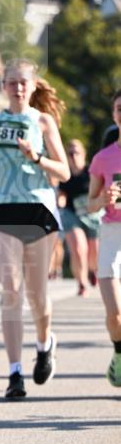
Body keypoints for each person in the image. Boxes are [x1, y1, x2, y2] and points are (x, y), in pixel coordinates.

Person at [0, 60, 69, 399]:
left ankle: (45, 344)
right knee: (11, 290)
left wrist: (36, 157)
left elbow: (65, 172)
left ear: (32, 88)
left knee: (37, 294)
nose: (17, 88)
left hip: (38, 209)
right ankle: (14, 372)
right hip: (1, 207)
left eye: (23, 83)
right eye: (11, 82)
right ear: (3, 86)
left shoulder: (42, 121)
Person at [87, 89, 121, 387]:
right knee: (116, 313)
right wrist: (104, 199)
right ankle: (119, 353)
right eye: (120, 108)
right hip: (112, 233)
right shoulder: (103, 158)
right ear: (114, 115)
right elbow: (90, 203)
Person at [59, 139, 101, 295]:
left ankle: (92, 270)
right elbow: (61, 194)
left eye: (76, 152)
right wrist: (60, 201)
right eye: (70, 153)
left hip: (92, 215)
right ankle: (81, 282)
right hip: (72, 214)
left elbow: (100, 190)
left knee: (94, 252)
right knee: (78, 248)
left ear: (83, 154)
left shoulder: (91, 172)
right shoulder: (65, 174)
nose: (73, 156)